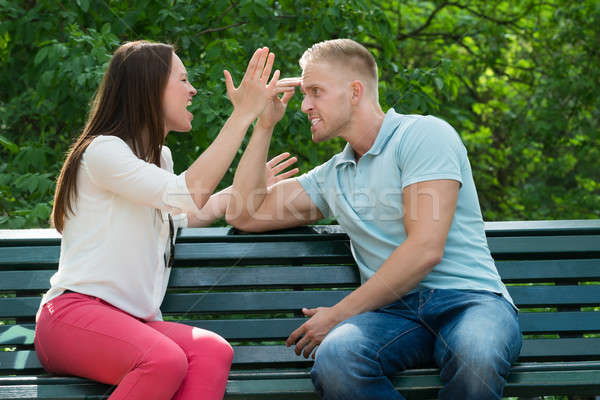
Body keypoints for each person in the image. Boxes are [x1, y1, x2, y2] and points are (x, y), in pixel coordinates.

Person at [225, 38, 523, 400]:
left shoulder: (423, 135)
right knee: (337, 358)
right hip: (391, 315)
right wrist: (263, 124)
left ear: (354, 91)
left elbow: (425, 248)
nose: (304, 106)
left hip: (469, 302)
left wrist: (337, 314)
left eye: (315, 92)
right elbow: (244, 213)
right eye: (304, 94)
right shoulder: (332, 175)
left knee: (477, 353)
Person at [34, 41, 297, 400]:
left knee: (211, 351)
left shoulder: (162, 159)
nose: (193, 90)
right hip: (71, 319)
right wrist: (242, 115)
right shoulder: (103, 151)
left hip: (132, 324)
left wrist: (244, 181)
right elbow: (187, 194)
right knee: (163, 359)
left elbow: (186, 213)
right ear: (149, 88)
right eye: (183, 80)